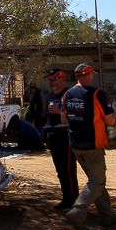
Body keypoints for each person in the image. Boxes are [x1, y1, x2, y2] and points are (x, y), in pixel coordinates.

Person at [61, 63, 116, 230]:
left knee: (96, 180)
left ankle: (106, 216)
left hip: (76, 145)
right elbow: (110, 121)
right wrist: (113, 112)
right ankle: (78, 212)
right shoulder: (96, 94)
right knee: (97, 182)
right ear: (90, 75)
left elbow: (64, 120)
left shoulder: (67, 94)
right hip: (93, 145)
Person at [44, 69, 78, 210]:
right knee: (60, 170)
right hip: (53, 135)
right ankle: (66, 198)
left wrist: (60, 112)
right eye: (49, 80)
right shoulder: (51, 94)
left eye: (53, 79)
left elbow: (76, 115)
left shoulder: (69, 94)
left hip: (65, 136)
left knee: (68, 169)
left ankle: (74, 200)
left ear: (61, 79)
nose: (50, 82)